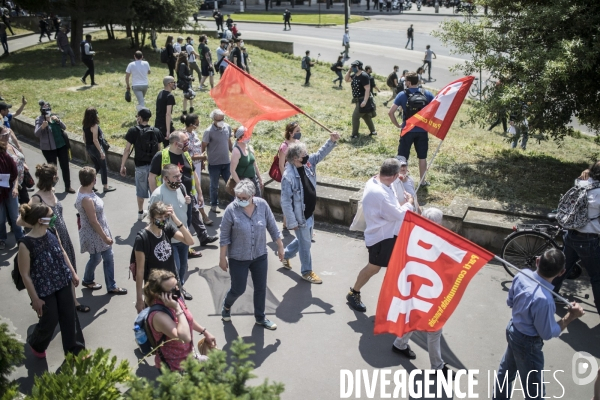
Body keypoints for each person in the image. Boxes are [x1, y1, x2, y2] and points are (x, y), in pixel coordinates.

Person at [493, 249, 585, 399]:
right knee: (534, 391)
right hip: (528, 344)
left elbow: (510, 301)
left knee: (506, 374)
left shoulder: (521, 274)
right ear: (561, 272)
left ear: (537, 261)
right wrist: (571, 316)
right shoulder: (545, 300)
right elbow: (548, 333)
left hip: (513, 330)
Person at [17, 203, 85, 359]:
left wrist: (73, 273)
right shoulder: (25, 244)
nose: (54, 217)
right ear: (41, 220)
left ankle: (74, 350)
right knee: (51, 318)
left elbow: (61, 250)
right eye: (50, 215)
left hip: (62, 280)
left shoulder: (52, 230)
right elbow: (25, 274)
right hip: (44, 288)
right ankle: (37, 343)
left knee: (69, 315)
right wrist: (35, 299)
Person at [346, 158, 414, 312]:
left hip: (389, 234)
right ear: (394, 176)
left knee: (397, 266)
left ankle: (397, 299)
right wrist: (409, 202)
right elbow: (398, 214)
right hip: (382, 238)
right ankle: (354, 292)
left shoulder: (376, 180)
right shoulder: (380, 193)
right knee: (373, 268)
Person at [219, 179, 284, 330]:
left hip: (259, 255)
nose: (240, 200)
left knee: (261, 288)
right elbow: (224, 236)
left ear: (252, 195)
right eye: (238, 197)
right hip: (238, 258)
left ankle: (260, 318)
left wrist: (280, 246)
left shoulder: (262, 205)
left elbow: (272, 226)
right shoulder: (231, 210)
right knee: (238, 289)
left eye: (244, 198)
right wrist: (222, 258)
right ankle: (227, 306)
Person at [391, 207, 448, 375]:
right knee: (434, 329)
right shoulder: (437, 241)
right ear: (437, 223)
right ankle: (437, 366)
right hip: (427, 290)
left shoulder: (412, 234)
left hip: (413, 286)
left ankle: (399, 344)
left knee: (415, 316)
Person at [280, 133, 341, 284]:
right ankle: (306, 271)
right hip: (300, 218)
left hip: (309, 213)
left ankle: (285, 254)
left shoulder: (307, 164)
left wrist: (331, 141)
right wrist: (292, 222)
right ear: (295, 159)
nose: (307, 156)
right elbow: (286, 202)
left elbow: (319, 155)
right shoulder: (288, 177)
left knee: (304, 240)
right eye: (304, 155)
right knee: (306, 244)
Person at [29, 163, 87, 312]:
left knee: (70, 266)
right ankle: (61, 304)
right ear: (51, 178)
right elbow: (22, 220)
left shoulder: (52, 191)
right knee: (57, 270)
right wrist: (41, 224)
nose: (57, 178)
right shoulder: (36, 198)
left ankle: (73, 301)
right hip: (49, 239)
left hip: (63, 235)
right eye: (55, 176)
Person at [552, 161, 600, 315]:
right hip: (587, 239)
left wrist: (587, 171)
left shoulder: (581, 182)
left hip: (570, 233)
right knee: (597, 276)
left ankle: (549, 294)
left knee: (563, 268)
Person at [145, 269, 216, 371]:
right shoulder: (159, 315)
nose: (177, 289)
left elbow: (188, 318)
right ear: (159, 294)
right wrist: (178, 309)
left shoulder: (175, 299)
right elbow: (185, 338)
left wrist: (204, 332)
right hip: (175, 367)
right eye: (172, 289)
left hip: (190, 356)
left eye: (176, 285)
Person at [75, 167, 127, 295]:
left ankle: (87, 280)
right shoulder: (87, 199)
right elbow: (93, 221)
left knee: (95, 257)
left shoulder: (83, 191)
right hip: (95, 234)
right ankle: (111, 286)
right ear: (94, 180)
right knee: (107, 257)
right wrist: (105, 238)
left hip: (95, 231)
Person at [134, 202, 194, 312]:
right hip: (155, 289)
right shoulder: (142, 239)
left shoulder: (167, 228)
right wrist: (139, 299)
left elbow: (190, 241)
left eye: (165, 217)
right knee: (160, 324)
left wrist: (176, 220)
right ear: (151, 218)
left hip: (172, 284)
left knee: (180, 317)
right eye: (159, 217)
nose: (163, 220)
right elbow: (140, 271)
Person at [149, 164, 196, 301]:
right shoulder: (158, 194)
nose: (179, 179)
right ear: (165, 178)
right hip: (169, 239)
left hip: (183, 236)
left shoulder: (181, 188)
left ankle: (180, 286)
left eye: (179, 175)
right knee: (175, 269)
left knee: (183, 267)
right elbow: (152, 218)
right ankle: (175, 292)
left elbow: (183, 209)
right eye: (175, 176)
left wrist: (188, 202)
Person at [388, 72, 434, 185]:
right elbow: (436, 109)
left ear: (408, 82)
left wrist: (398, 125)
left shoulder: (402, 95)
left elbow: (391, 112)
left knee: (402, 158)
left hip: (407, 130)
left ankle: (401, 180)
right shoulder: (427, 94)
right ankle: (422, 182)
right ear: (417, 81)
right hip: (422, 131)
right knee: (422, 157)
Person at [120, 108, 163, 221]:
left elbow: (127, 149)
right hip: (154, 167)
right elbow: (159, 151)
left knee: (140, 190)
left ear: (139, 117)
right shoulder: (156, 131)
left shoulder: (133, 131)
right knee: (155, 191)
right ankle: (156, 214)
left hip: (140, 166)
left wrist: (122, 165)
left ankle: (140, 212)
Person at [34, 101, 74, 193]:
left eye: (49, 109)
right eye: (46, 110)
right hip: (49, 149)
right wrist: (42, 127)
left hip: (61, 145)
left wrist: (58, 121)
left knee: (65, 166)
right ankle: (50, 188)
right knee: (52, 170)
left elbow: (64, 127)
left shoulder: (54, 117)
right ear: (42, 111)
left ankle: (68, 186)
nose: (48, 111)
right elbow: (36, 133)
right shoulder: (39, 120)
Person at [181, 113, 212, 226]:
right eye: (197, 123)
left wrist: (202, 161)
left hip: (197, 165)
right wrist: (202, 157)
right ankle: (203, 215)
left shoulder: (194, 134)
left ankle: (198, 216)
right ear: (191, 124)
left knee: (197, 189)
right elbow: (187, 156)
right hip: (189, 167)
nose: (198, 125)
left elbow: (198, 149)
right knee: (195, 190)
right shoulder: (184, 137)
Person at [202, 109, 233, 214]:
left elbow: (229, 141)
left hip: (226, 162)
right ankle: (214, 205)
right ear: (213, 119)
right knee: (214, 186)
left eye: (222, 119)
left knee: (230, 184)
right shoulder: (208, 131)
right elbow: (203, 146)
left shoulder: (227, 127)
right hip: (214, 163)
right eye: (218, 119)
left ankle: (234, 203)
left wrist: (233, 152)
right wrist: (201, 160)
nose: (220, 121)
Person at [82, 107, 116, 193]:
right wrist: (101, 151)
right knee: (103, 167)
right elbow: (95, 140)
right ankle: (105, 186)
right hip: (96, 148)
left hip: (89, 147)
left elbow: (84, 137)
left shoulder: (85, 125)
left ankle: (89, 183)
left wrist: (87, 148)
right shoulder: (94, 126)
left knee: (96, 166)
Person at [0, 126, 23, 249]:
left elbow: (14, 174)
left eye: (7, 134)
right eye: (3, 136)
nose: (6, 137)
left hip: (9, 190)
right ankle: (2, 239)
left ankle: (20, 238)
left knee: (15, 216)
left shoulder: (5, 155)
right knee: (0, 218)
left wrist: (15, 188)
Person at [345, 60, 377, 138]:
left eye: (354, 66)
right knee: (365, 116)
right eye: (352, 66)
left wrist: (365, 101)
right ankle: (373, 131)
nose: (353, 68)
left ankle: (354, 135)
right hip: (357, 100)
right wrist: (349, 71)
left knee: (355, 117)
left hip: (362, 99)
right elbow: (346, 79)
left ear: (359, 67)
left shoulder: (364, 75)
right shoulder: (355, 75)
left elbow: (367, 89)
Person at [230, 126, 263, 197]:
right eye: (247, 135)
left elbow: (255, 164)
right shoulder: (236, 151)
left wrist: (260, 179)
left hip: (254, 179)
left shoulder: (249, 147)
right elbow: (232, 170)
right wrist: (240, 185)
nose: (249, 137)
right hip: (243, 181)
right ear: (240, 137)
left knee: (257, 201)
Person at [3, 124, 28, 205]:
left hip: (21, 178)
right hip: (12, 183)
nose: (8, 135)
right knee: (16, 207)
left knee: (25, 202)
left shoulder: (10, 143)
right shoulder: (2, 151)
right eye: (5, 134)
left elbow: (19, 155)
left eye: (8, 133)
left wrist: (24, 163)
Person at [154, 76, 177, 147]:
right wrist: (168, 130)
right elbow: (168, 114)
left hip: (158, 123)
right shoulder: (170, 96)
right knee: (174, 143)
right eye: (174, 82)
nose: (175, 84)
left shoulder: (160, 93)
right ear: (169, 84)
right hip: (165, 125)